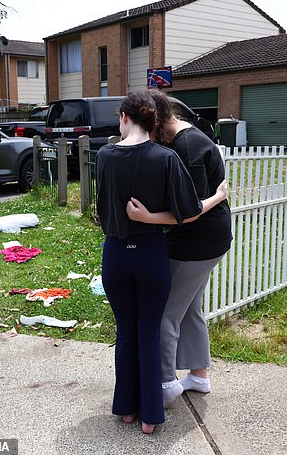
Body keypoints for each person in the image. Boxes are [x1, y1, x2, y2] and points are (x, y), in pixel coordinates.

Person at [96, 91, 227, 434]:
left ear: (124, 118)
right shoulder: (166, 157)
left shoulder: (105, 156)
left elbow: (102, 210)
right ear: (155, 121)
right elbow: (190, 210)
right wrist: (219, 195)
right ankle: (152, 416)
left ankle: (125, 409)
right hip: (152, 254)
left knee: (125, 332)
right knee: (151, 333)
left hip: (116, 255)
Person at [126, 89, 233, 409]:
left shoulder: (187, 147)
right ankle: (198, 377)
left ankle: (165, 384)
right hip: (208, 241)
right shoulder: (188, 139)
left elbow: (190, 209)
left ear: (156, 121)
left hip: (194, 243)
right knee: (189, 308)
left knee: (163, 315)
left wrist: (145, 217)